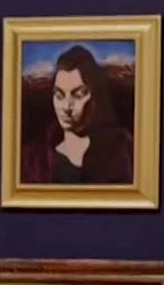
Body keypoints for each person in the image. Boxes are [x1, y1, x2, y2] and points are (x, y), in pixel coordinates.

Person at [19, 44, 135, 185]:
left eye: (78, 95)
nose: (66, 107)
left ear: (95, 95)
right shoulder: (34, 160)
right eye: (59, 95)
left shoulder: (122, 148)